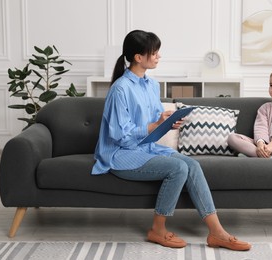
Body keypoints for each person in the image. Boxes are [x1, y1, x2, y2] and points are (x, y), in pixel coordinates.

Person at [91, 30, 251, 251]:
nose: (158, 56)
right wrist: (154, 126)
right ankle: (158, 230)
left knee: (192, 165)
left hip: (146, 147)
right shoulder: (121, 88)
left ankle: (217, 233)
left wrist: (166, 121)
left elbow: (155, 120)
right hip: (121, 153)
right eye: (154, 53)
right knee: (177, 168)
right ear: (139, 57)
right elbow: (119, 134)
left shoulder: (151, 84)